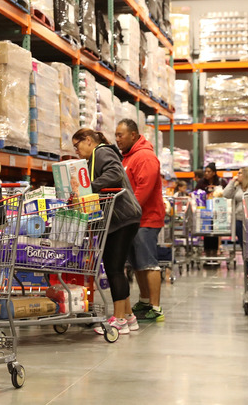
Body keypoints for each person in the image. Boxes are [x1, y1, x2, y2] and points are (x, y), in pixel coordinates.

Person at [72, 128, 142, 335]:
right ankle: (128, 316)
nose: (76, 150)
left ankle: (118, 319)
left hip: (122, 218)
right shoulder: (95, 158)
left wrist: (89, 187)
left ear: (88, 140)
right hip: (121, 219)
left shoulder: (101, 152)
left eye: (77, 145)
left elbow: (114, 174)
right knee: (116, 268)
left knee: (114, 268)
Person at [115, 119, 166, 322]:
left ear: (134, 135)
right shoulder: (128, 157)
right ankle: (145, 301)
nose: (117, 139)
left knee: (148, 263)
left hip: (146, 218)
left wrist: (128, 211)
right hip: (134, 219)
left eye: (121, 135)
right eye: (116, 135)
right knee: (137, 264)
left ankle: (156, 307)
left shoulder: (145, 156)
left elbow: (143, 190)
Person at [195, 162, 227, 256]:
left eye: (209, 171)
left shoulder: (221, 182)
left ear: (214, 172)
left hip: (219, 211)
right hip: (205, 212)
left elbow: (227, 194)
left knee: (217, 231)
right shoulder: (201, 182)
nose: (206, 173)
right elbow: (195, 193)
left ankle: (216, 251)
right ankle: (208, 253)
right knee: (207, 232)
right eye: (205, 171)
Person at [222, 167, 248, 248]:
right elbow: (225, 194)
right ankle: (246, 260)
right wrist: (232, 181)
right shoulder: (236, 187)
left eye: (239, 173)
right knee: (243, 245)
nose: (237, 175)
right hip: (238, 220)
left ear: (246, 175)